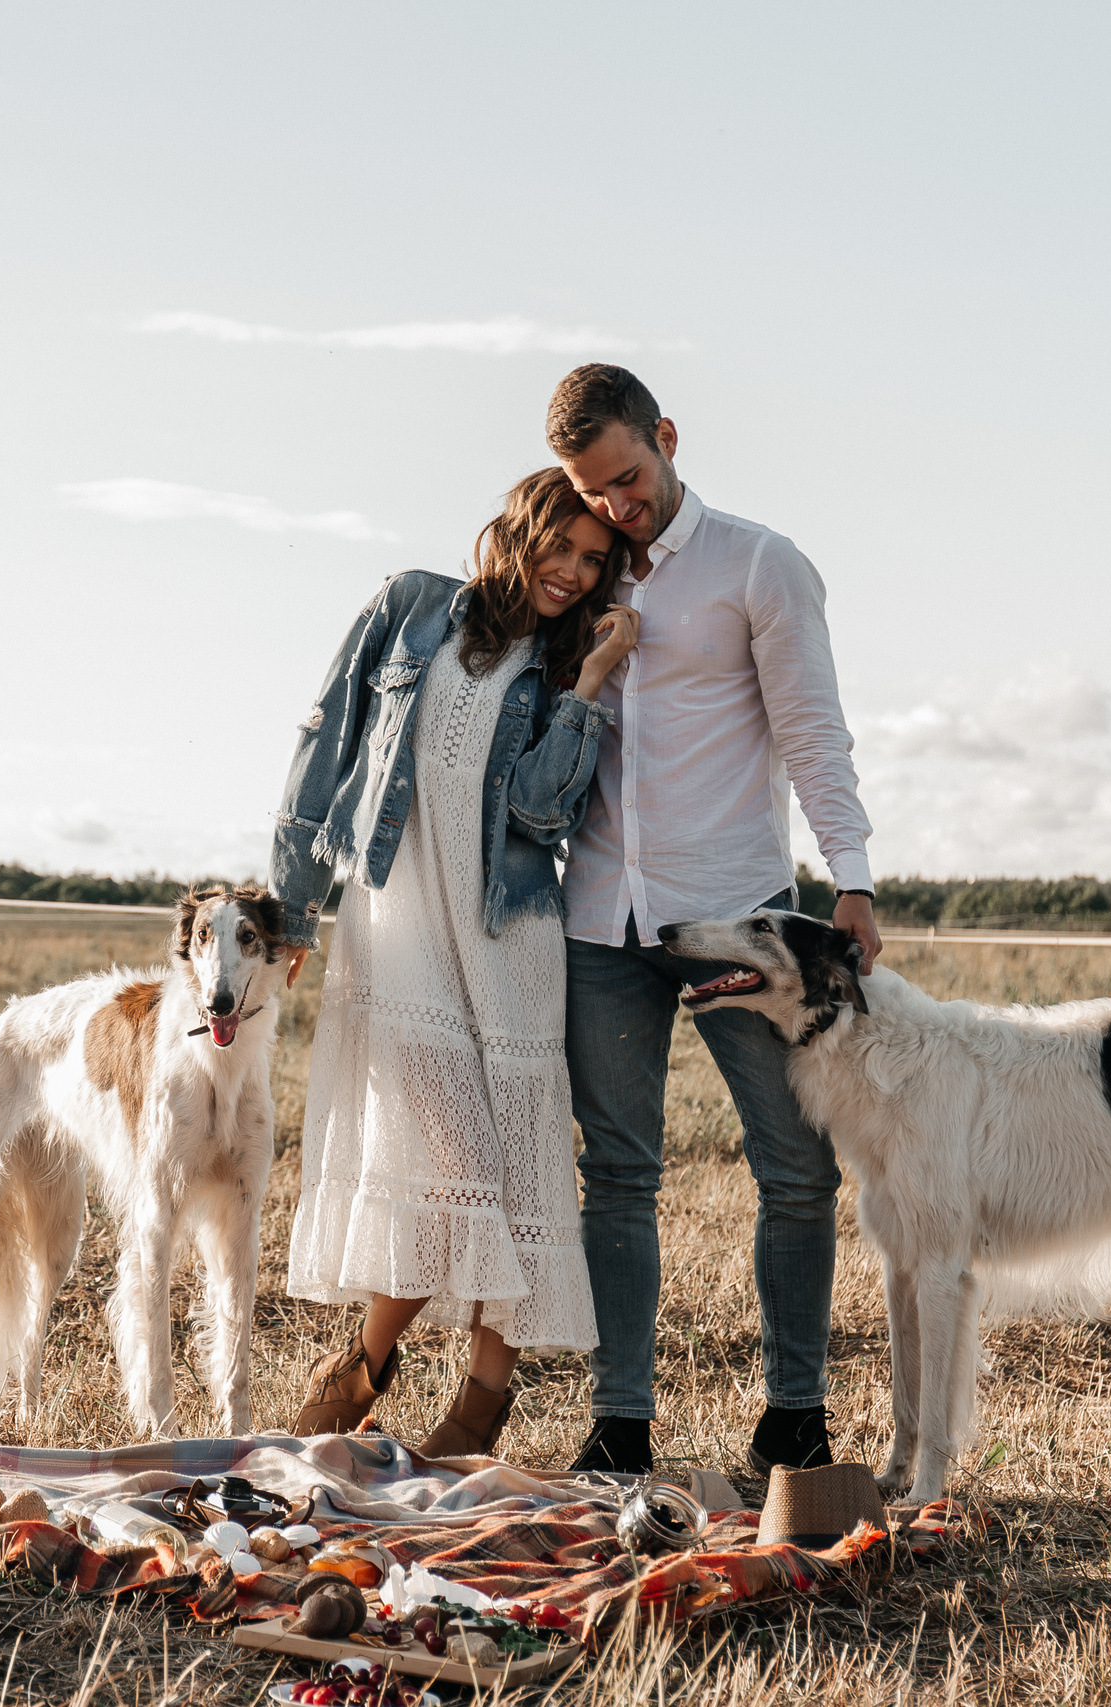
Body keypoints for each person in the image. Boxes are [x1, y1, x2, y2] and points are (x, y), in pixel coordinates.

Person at [544, 363, 884, 1476]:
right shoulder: (578, 570)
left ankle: (796, 1411)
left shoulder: (758, 564)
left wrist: (852, 874)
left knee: (793, 1168)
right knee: (620, 1174)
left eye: (628, 479)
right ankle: (622, 1420)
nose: (614, 507)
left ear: (668, 438)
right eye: (591, 490)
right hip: (599, 915)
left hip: (737, 916)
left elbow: (811, 730)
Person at [270, 467, 641, 1457]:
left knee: (518, 1170)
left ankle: (477, 1412)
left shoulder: (568, 661)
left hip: (506, 935)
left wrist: (591, 689)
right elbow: (324, 746)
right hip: (398, 927)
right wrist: (293, 910)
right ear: (516, 532)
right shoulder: (410, 607)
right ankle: (364, 1367)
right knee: (450, 1162)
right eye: (559, 547)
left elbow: (538, 812)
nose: (569, 572)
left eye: (592, 562)